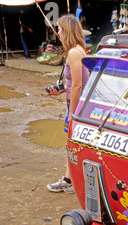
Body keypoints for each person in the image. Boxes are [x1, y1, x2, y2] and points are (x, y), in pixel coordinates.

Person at [46, 15, 89, 193]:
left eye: (60, 29)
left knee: (72, 143)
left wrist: (72, 113)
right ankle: (70, 179)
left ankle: (70, 180)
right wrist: (61, 90)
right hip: (74, 103)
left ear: (68, 31)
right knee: (73, 143)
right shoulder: (76, 51)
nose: (58, 32)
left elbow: (79, 84)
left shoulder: (74, 53)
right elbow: (73, 83)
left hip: (76, 105)